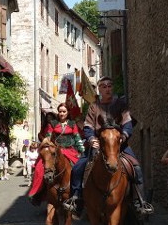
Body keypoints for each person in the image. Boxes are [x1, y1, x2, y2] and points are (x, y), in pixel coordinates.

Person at [64, 76, 154, 217]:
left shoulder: (121, 105)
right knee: (77, 168)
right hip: (97, 145)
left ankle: (139, 202)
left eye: (109, 86)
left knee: (136, 168)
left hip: (119, 144)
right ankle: (76, 199)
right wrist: (92, 139)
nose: (107, 88)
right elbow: (87, 127)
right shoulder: (94, 107)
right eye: (104, 86)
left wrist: (123, 137)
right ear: (99, 89)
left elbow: (128, 125)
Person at [28, 103, 84, 205]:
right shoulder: (52, 123)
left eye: (64, 111)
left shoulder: (72, 124)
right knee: (40, 167)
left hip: (70, 151)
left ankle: (79, 193)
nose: (62, 113)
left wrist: (82, 150)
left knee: (80, 168)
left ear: (67, 113)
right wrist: (46, 143)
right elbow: (48, 137)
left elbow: (77, 138)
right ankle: (38, 193)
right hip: (55, 150)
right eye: (60, 111)